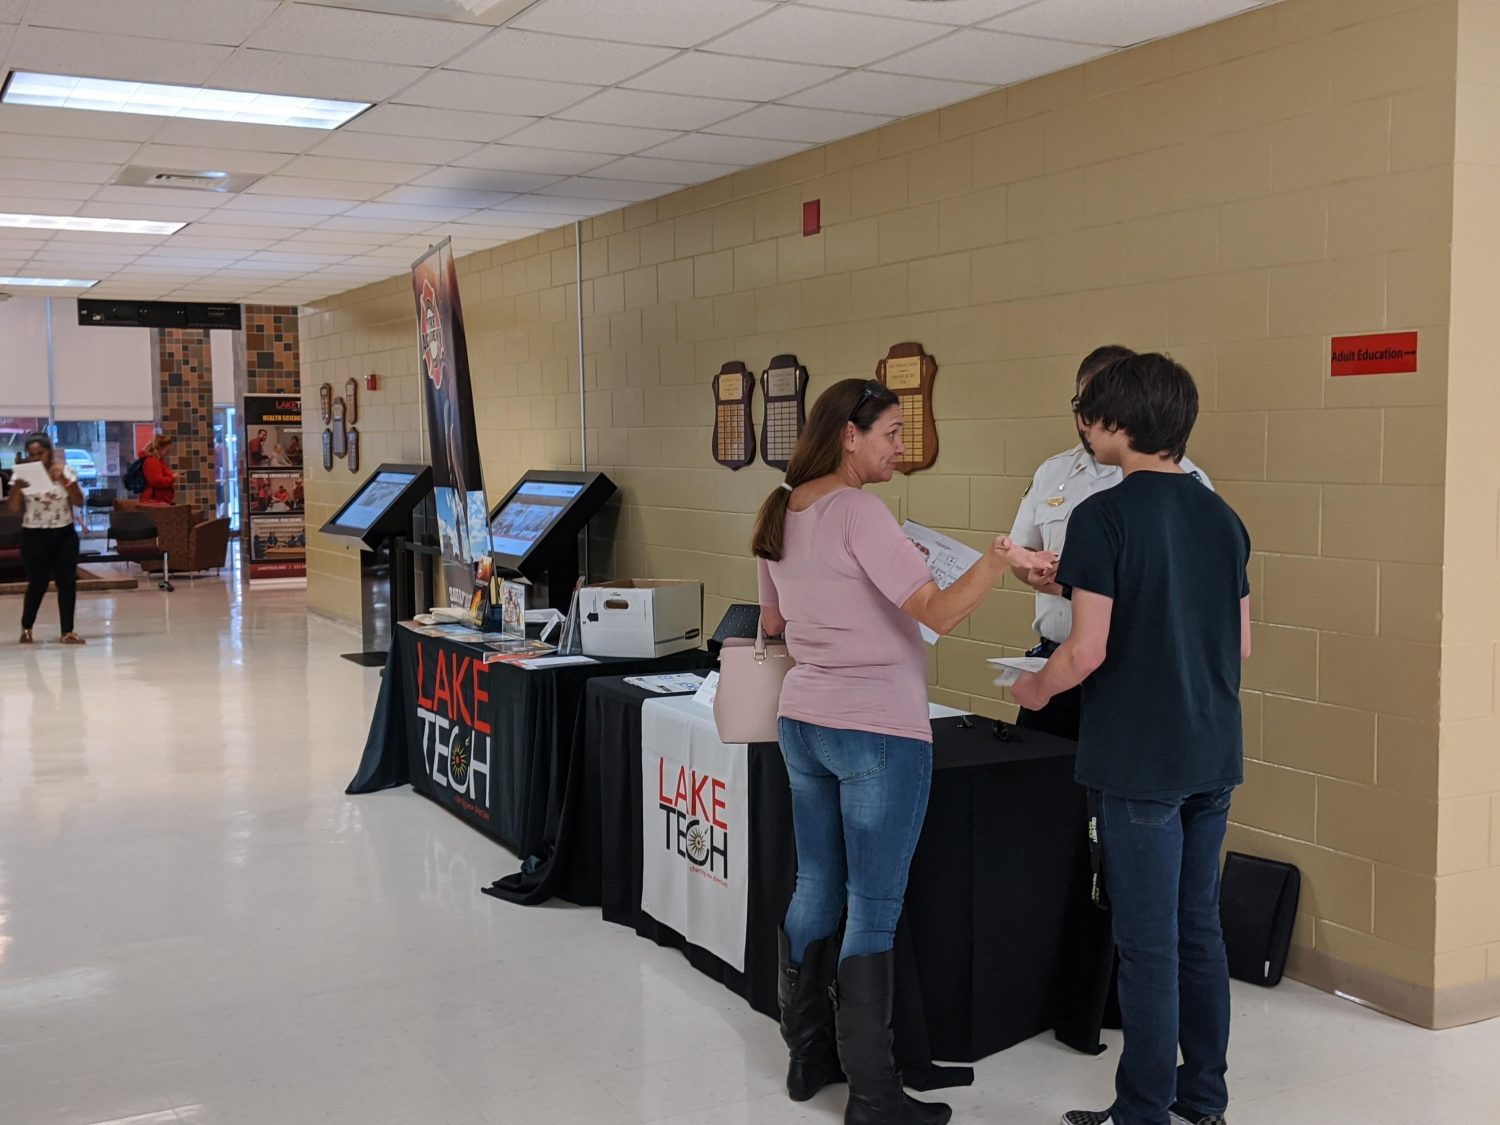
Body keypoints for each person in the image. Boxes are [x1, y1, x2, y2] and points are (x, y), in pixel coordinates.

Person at [753, 378, 1054, 1125]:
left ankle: (806, 1056)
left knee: (816, 883)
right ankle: (875, 1094)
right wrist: (996, 559)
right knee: (874, 907)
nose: (900, 447)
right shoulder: (859, 510)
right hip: (878, 729)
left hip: (805, 722)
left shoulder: (782, 508)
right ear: (848, 435)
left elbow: (774, 621)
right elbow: (941, 612)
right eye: (890, 432)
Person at [1008, 354, 1251, 1125]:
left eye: (1094, 415)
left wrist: (1033, 687)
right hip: (1212, 749)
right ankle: (1202, 1095)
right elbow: (1238, 642)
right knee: (1197, 929)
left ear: (1116, 426)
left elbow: (1084, 651)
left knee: (1146, 944)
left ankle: (1141, 1110)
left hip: (1140, 760)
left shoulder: (1103, 516)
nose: (1087, 427)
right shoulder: (1222, 514)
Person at [1007, 345, 1213, 740]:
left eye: (1097, 410)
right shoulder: (1054, 472)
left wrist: (1072, 583)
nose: (1087, 424)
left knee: (1114, 795)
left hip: (1133, 669)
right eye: (1081, 407)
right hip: (1057, 661)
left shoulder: (1187, 484)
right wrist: (1032, 569)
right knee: (1038, 788)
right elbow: (1021, 549)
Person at [7, 432, 86, 644]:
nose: (35, 458)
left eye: (40, 453)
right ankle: (26, 627)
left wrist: (64, 481)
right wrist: (17, 487)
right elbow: (14, 508)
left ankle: (67, 631)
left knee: (66, 582)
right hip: (34, 534)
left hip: (64, 533)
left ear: (49, 452)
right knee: (38, 582)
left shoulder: (65, 471)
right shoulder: (22, 475)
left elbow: (79, 501)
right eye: (31, 454)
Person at [139, 433, 177, 505]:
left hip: (158, 501)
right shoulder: (152, 462)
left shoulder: (156, 461)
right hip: (154, 501)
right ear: (159, 448)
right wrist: (172, 477)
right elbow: (157, 481)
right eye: (167, 451)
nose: (167, 454)